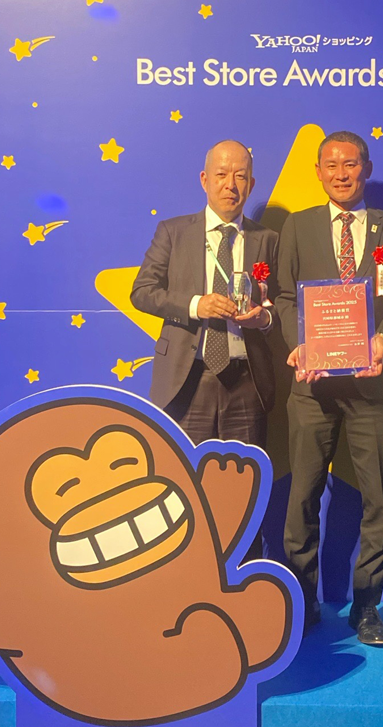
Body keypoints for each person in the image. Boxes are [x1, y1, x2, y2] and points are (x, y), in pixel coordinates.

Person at [275, 130, 383, 646]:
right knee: (303, 497)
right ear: (318, 172)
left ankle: (366, 606)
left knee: (378, 498)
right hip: (312, 391)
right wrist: (298, 343)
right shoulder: (298, 226)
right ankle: (302, 603)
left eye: (351, 164)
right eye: (331, 165)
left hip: (372, 389)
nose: (341, 174)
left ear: (367, 168)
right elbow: (284, 297)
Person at [131, 140, 278, 557]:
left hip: (246, 383)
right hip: (188, 380)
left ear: (251, 184)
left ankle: (244, 580)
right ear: (204, 179)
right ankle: (185, 578)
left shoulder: (267, 239)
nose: (231, 185)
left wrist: (264, 319)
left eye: (240, 176)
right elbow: (142, 292)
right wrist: (196, 305)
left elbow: (283, 304)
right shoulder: (173, 232)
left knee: (245, 495)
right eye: (222, 175)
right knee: (182, 491)